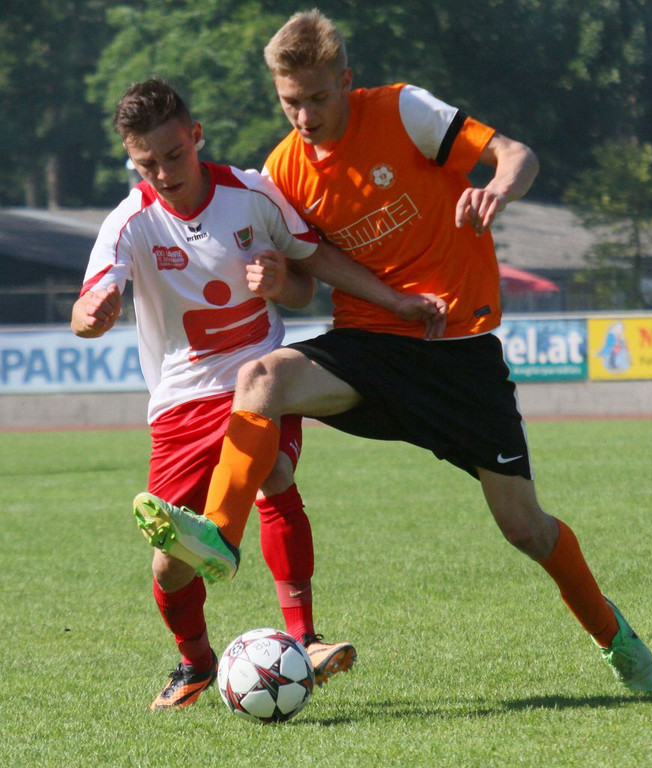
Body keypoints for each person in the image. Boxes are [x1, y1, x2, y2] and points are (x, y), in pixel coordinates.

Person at [134, 11, 652, 695]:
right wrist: (299, 283)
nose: (304, 116)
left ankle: (612, 633)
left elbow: (517, 154)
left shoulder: (404, 111)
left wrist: (498, 187)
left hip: (459, 354)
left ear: (345, 81)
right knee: (261, 378)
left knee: (525, 529)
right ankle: (221, 537)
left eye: (317, 98)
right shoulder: (283, 170)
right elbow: (309, 268)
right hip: (371, 345)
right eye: (290, 102)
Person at [73, 77, 447, 710]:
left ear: (196, 136)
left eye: (173, 154)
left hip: (262, 380)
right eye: (146, 163)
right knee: (168, 565)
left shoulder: (252, 193)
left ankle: (305, 638)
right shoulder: (129, 222)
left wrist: (385, 299)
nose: (163, 173)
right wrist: (95, 312)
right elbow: (85, 312)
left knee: (273, 471)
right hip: (180, 403)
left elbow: (310, 274)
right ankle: (195, 663)